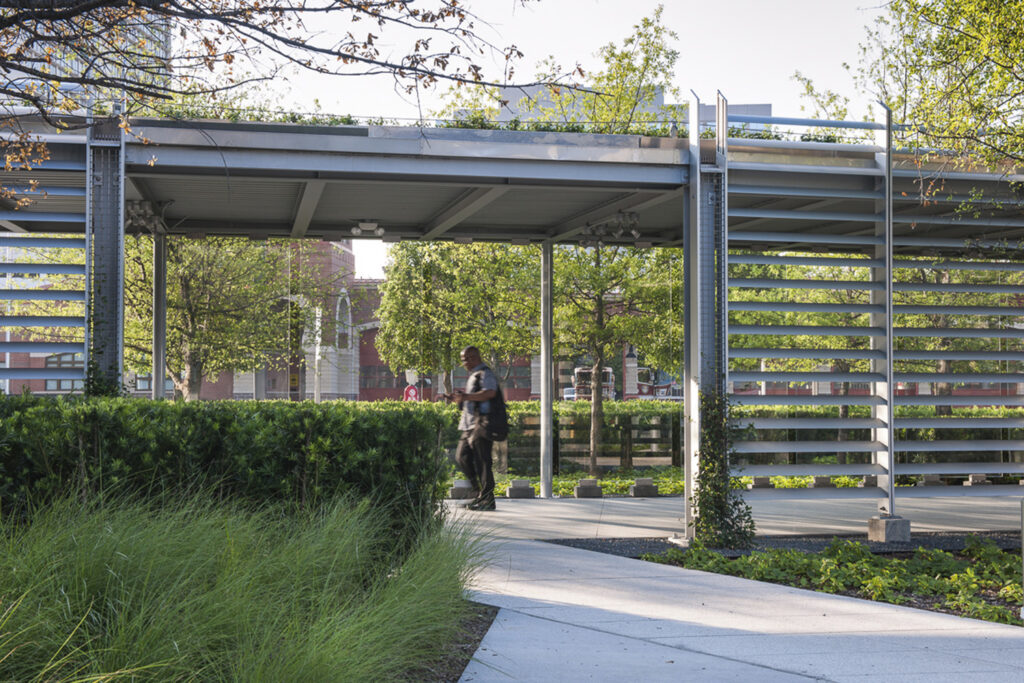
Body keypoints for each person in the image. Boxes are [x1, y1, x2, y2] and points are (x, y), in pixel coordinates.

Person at [440, 346, 499, 511]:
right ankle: (478, 492)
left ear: (474, 357)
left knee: (483, 463)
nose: (463, 362)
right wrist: (458, 398)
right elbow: (475, 398)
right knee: (462, 457)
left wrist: (464, 396)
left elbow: (490, 393)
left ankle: (487, 499)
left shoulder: (485, 373)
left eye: (465, 359)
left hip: (481, 425)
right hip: (468, 426)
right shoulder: (473, 375)